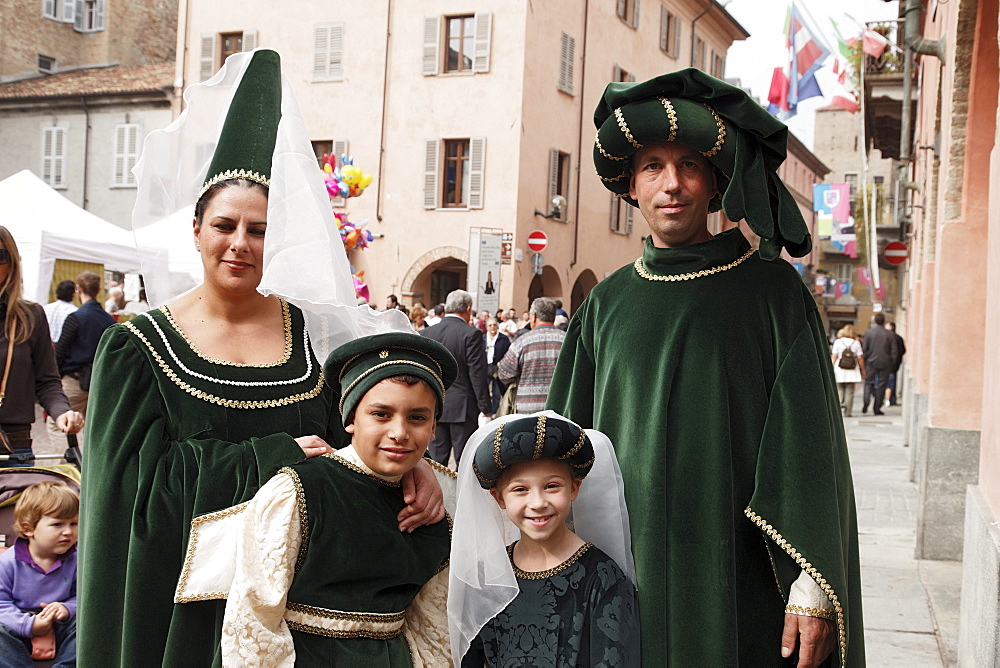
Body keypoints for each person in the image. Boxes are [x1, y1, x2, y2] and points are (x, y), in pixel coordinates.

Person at [78, 49, 444, 667]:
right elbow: (127, 494)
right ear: (196, 230)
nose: (240, 244)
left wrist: (412, 469)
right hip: (181, 609)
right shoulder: (137, 348)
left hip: (296, 610)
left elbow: (355, 443)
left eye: (259, 229)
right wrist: (270, 459)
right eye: (225, 225)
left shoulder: (310, 337)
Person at [547, 69, 864, 666]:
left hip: (741, 576)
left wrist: (812, 586)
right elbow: (557, 445)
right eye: (653, 167)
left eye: (690, 165)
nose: (672, 184)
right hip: (622, 574)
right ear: (630, 186)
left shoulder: (774, 296)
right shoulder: (605, 305)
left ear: (716, 182)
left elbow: (809, 456)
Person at [176, 333, 458, 666]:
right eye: (381, 414)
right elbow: (255, 617)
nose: (399, 432)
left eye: (417, 418)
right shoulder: (298, 492)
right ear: (351, 419)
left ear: (434, 427)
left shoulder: (432, 514)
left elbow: (432, 627)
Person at [449, 413, 638, 666]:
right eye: (520, 489)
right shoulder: (488, 577)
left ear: (574, 488)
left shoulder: (603, 579)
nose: (538, 503)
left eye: (552, 486)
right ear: (499, 498)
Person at [0, 228, 83, 466]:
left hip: (13, 444)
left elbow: (47, 381)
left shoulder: (30, 316)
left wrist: (62, 412)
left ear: (12, 263)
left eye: (0, 255)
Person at [0, 481, 78, 667]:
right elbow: (1, 605)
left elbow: (83, 596)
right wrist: (29, 625)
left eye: (74, 523)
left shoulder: (76, 560)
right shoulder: (8, 562)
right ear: (29, 529)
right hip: (17, 623)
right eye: (57, 524)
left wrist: (67, 608)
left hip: (60, 623)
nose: (68, 531)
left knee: (87, 624)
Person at [420, 289, 492, 466]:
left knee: (436, 462)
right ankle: (461, 495)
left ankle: (438, 493)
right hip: (463, 406)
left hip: (434, 403)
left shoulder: (427, 333)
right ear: (468, 309)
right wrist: (486, 407)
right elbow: (477, 374)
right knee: (464, 461)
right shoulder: (470, 334)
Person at [48, 271, 115, 446]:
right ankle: (89, 470)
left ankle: (65, 469)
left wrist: (57, 377)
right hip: (100, 382)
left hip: (75, 381)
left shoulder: (75, 318)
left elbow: (60, 351)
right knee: (93, 429)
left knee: (58, 424)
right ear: (99, 289)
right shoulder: (109, 321)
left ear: (78, 289)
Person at [497, 297, 565, 413]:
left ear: (533, 316)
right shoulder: (567, 340)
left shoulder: (522, 341)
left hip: (527, 411)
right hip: (560, 410)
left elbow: (504, 373)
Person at [861, 313, 899, 415]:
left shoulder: (869, 333)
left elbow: (864, 349)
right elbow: (894, 351)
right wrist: (892, 363)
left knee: (868, 383)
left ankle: (866, 402)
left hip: (871, 362)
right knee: (881, 385)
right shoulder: (890, 334)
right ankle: (876, 407)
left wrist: (865, 361)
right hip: (885, 363)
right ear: (884, 321)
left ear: (875, 321)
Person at [831, 325, 866, 418]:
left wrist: (831, 367)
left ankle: (839, 407)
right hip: (852, 369)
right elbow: (860, 358)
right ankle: (848, 412)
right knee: (850, 391)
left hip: (840, 368)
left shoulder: (838, 342)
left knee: (839, 389)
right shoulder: (856, 343)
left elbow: (834, 356)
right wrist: (863, 370)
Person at [483, 318, 510, 414]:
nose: (492, 327)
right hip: (485, 367)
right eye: (490, 325)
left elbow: (508, 353)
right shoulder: (482, 338)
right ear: (486, 327)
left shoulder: (504, 338)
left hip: (498, 368)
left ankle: (494, 412)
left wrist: (502, 362)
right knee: (484, 390)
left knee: (496, 392)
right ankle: (485, 411)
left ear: (497, 326)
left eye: (494, 325)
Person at [885, 322, 906, 406]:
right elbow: (903, 350)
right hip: (895, 364)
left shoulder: (887, 338)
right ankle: (891, 399)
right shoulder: (899, 338)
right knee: (892, 381)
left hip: (889, 364)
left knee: (888, 382)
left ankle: (887, 399)